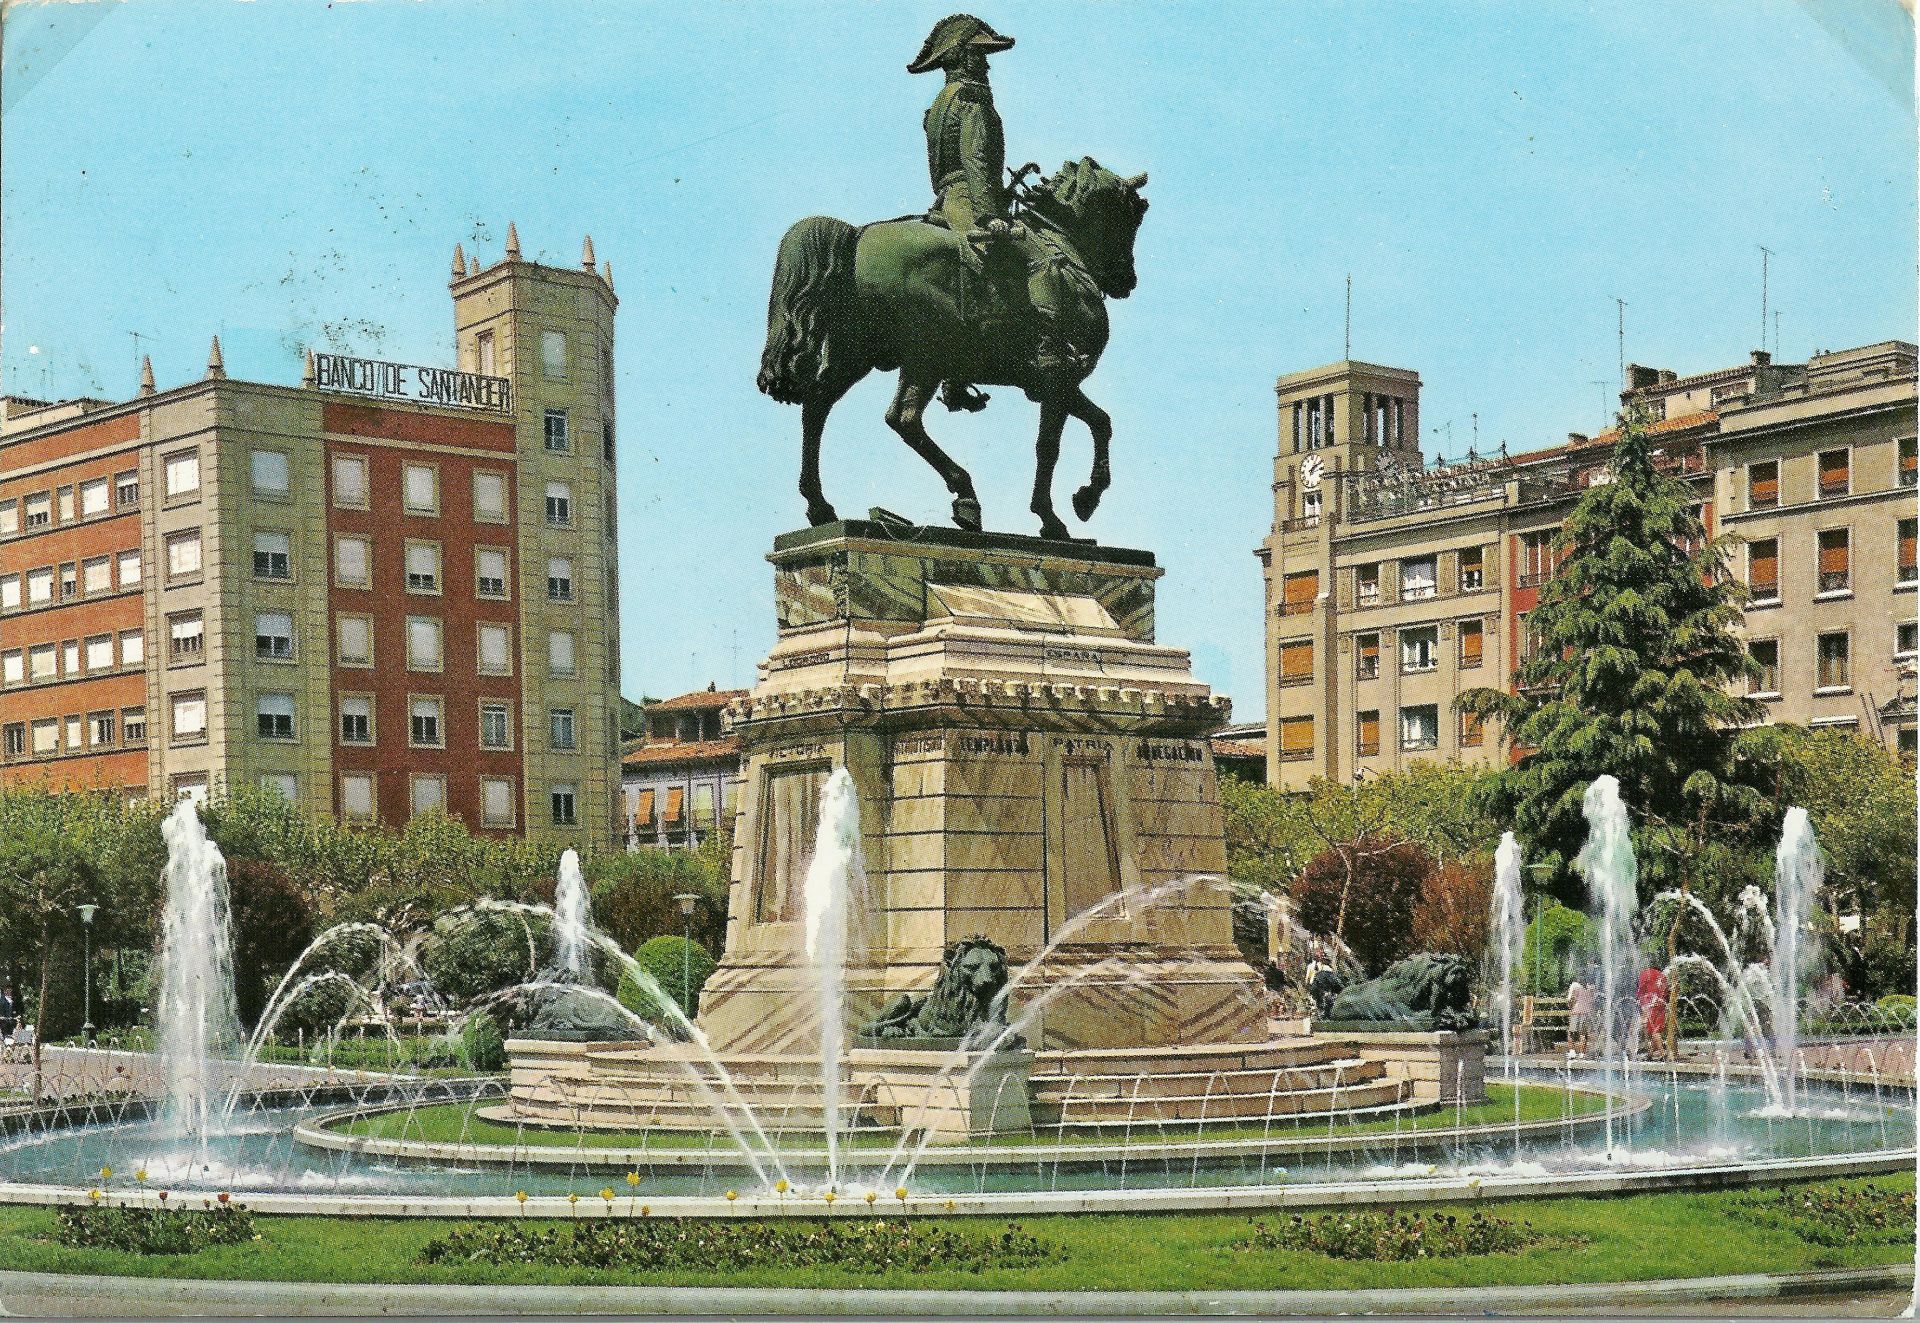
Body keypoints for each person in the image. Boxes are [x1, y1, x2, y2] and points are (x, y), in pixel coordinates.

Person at [1637, 965, 1670, 1056]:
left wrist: (1640, 1004)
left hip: (1650, 1005)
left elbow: (1641, 990)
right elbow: (1666, 991)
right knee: (1656, 1028)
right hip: (1660, 1004)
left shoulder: (1645, 974)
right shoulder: (1662, 975)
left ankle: (1663, 1053)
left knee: (1654, 1031)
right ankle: (1650, 1054)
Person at [1566, 975, 1594, 1056]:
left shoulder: (1575, 987)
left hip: (1576, 1011)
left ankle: (1572, 1052)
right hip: (1586, 1012)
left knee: (1571, 1032)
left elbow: (1571, 999)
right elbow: (1592, 1001)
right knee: (1583, 1034)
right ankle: (1582, 1053)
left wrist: (1570, 1006)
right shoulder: (1590, 988)